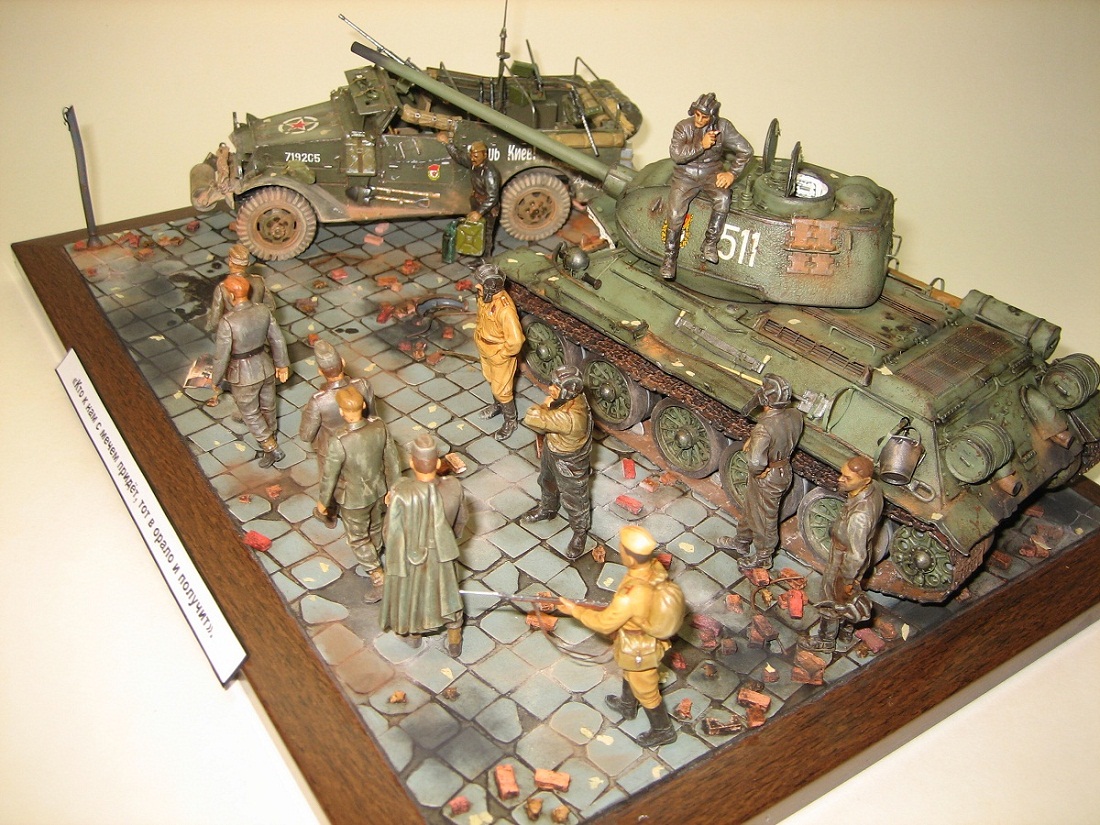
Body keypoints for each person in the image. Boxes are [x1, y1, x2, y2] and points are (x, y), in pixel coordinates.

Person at [558, 526, 685, 748]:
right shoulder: (653, 569)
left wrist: (575, 610)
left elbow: (604, 623)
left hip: (640, 648)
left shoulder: (631, 595)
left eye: (622, 549)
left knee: (647, 691)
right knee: (630, 672)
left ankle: (663, 731)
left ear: (631, 557)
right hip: (634, 640)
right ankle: (627, 705)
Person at [380, 434, 466, 656]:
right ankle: (454, 636)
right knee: (449, 596)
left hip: (412, 558)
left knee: (413, 595)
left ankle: (414, 634)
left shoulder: (401, 492)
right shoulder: (454, 487)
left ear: (411, 462)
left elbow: (389, 533)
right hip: (442, 555)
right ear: (437, 464)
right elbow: (460, 521)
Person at [315, 386, 402, 602]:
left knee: (357, 538)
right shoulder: (379, 427)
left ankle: (377, 575)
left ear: (341, 411)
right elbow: (392, 460)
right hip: (379, 490)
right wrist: (393, 488)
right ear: (363, 405)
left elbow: (329, 475)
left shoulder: (339, 440)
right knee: (375, 525)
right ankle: (375, 552)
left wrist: (323, 502)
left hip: (353, 499)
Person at [661, 93, 753, 280]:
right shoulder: (683, 127)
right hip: (685, 176)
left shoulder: (723, 128)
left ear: (712, 117)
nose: (699, 120)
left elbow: (746, 150)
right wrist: (701, 145)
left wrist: (732, 173)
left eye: (704, 117)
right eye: (697, 115)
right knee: (675, 214)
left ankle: (710, 243)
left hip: (711, 173)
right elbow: (677, 155)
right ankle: (670, 258)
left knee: (723, 198)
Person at [715, 374, 803, 570]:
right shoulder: (795, 415)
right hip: (782, 468)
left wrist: (757, 472)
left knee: (764, 519)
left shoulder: (763, 428)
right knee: (752, 508)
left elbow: (755, 462)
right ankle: (741, 541)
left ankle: (763, 557)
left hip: (768, 476)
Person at [801, 455, 883, 653]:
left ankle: (826, 640)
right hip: (854, 553)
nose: (840, 479)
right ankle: (847, 630)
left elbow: (856, 556)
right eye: (842, 474)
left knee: (831, 599)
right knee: (848, 599)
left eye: (847, 478)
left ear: (866, 481)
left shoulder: (860, 516)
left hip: (844, 561)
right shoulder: (874, 489)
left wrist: (845, 580)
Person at [208, 274, 289, 467]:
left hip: (243, 375)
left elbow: (221, 356)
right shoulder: (262, 310)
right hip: (265, 365)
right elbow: (277, 338)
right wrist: (282, 364)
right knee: (268, 406)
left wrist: (215, 379)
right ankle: (271, 435)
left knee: (250, 413)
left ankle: (270, 446)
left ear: (230, 295)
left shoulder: (228, 321)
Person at [521, 365, 593, 560]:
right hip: (553, 450)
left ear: (568, 392)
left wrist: (545, 405)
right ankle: (548, 509)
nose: (550, 388)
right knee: (546, 481)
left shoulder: (570, 417)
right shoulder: (574, 398)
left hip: (569, 462)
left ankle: (580, 532)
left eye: (556, 386)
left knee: (574, 499)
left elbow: (531, 417)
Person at [298, 339, 375, 487]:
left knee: (332, 486)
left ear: (320, 371)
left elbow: (306, 435)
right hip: (361, 443)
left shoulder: (317, 400)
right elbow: (372, 417)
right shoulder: (362, 384)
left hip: (330, 452)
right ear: (343, 362)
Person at [473, 263, 525, 440]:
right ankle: (498, 405)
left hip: (498, 353)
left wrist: (503, 354)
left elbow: (516, 340)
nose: (477, 286)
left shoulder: (505, 310)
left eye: (481, 283)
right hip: (486, 347)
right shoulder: (485, 298)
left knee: (502, 389)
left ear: (491, 286)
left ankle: (511, 421)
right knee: (490, 378)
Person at [438, 132, 502, 256]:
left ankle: (486, 259)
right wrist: (447, 143)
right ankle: (477, 255)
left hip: (488, 208)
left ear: (485, 155)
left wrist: (479, 212)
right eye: (472, 155)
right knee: (476, 231)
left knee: (486, 234)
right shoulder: (473, 163)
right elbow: (458, 156)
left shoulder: (490, 173)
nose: (473, 159)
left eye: (476, 156)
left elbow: (492, 197)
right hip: (477, 201)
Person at [206, 243, 275, 333]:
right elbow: (270, 307)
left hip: (235, 332)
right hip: (257, 328)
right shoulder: (259, 281)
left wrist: (211, 326)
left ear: (230, 262)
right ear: (248, 264)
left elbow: (215, 320)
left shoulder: (222, 287)